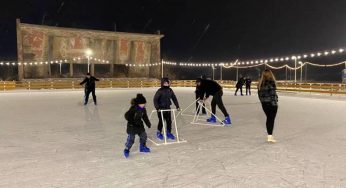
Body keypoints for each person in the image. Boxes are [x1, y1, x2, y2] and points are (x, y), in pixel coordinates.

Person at [123, 94, 151, 158]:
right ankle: (127, 149)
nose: (144, 105)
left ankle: (142, 147)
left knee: (144, 136)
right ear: (139, 103)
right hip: (132, 126)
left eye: (144, 104)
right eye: (143, 104)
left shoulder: (143, 109)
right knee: (131, 139)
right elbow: (127, 115)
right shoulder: (133, 108)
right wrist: (132, 122)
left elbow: (145, 117)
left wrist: (148, 123)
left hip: (139, 125)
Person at [258, 69, 279, 143]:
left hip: (264, 104)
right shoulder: (271, 82)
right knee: (271, 120)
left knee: (268, 119)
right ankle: (270, 136)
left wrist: (263, 102)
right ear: (270, 74)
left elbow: (259, 96)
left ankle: (269, 135)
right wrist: (275, 104)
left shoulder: (260, 84)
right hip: (271, 104)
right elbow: (272, 94)